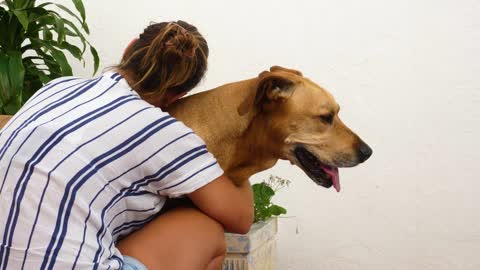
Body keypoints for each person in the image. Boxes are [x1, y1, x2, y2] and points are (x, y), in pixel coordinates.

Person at [0, 20, 253, 270]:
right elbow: (240, 218)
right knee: (204, 230)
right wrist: (243, 149)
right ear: (178, 96)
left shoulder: (57, 87)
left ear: (128, 49)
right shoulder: (161, 131)